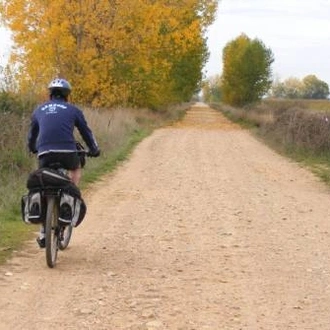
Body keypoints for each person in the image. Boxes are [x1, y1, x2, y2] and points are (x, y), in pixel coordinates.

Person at [27, 78, 100, 248]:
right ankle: (70, 195)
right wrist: (94, 149)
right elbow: (86, 132)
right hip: (68, 152)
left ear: (50, 94)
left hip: (45, 153)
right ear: (67, 95)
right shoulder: (73, 110)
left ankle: (43, 233)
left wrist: (32, 148)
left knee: (43, 184)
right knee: (75, 168)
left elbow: (31, 135)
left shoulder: (39, 110)